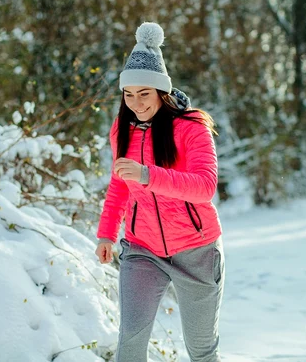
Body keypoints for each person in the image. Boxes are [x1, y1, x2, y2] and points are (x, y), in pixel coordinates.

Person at [96, 22, 224, 362]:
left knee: (201, 349)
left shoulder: (191, 127)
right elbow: (119, 184)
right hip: (143, 248)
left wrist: (148, 175)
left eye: (144, 94)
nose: (136, 103)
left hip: (196, 250)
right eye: (129, 94)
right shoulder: (121, 129)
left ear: (161, 92)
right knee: (131, 342)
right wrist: (107, 234)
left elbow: (205, 186)